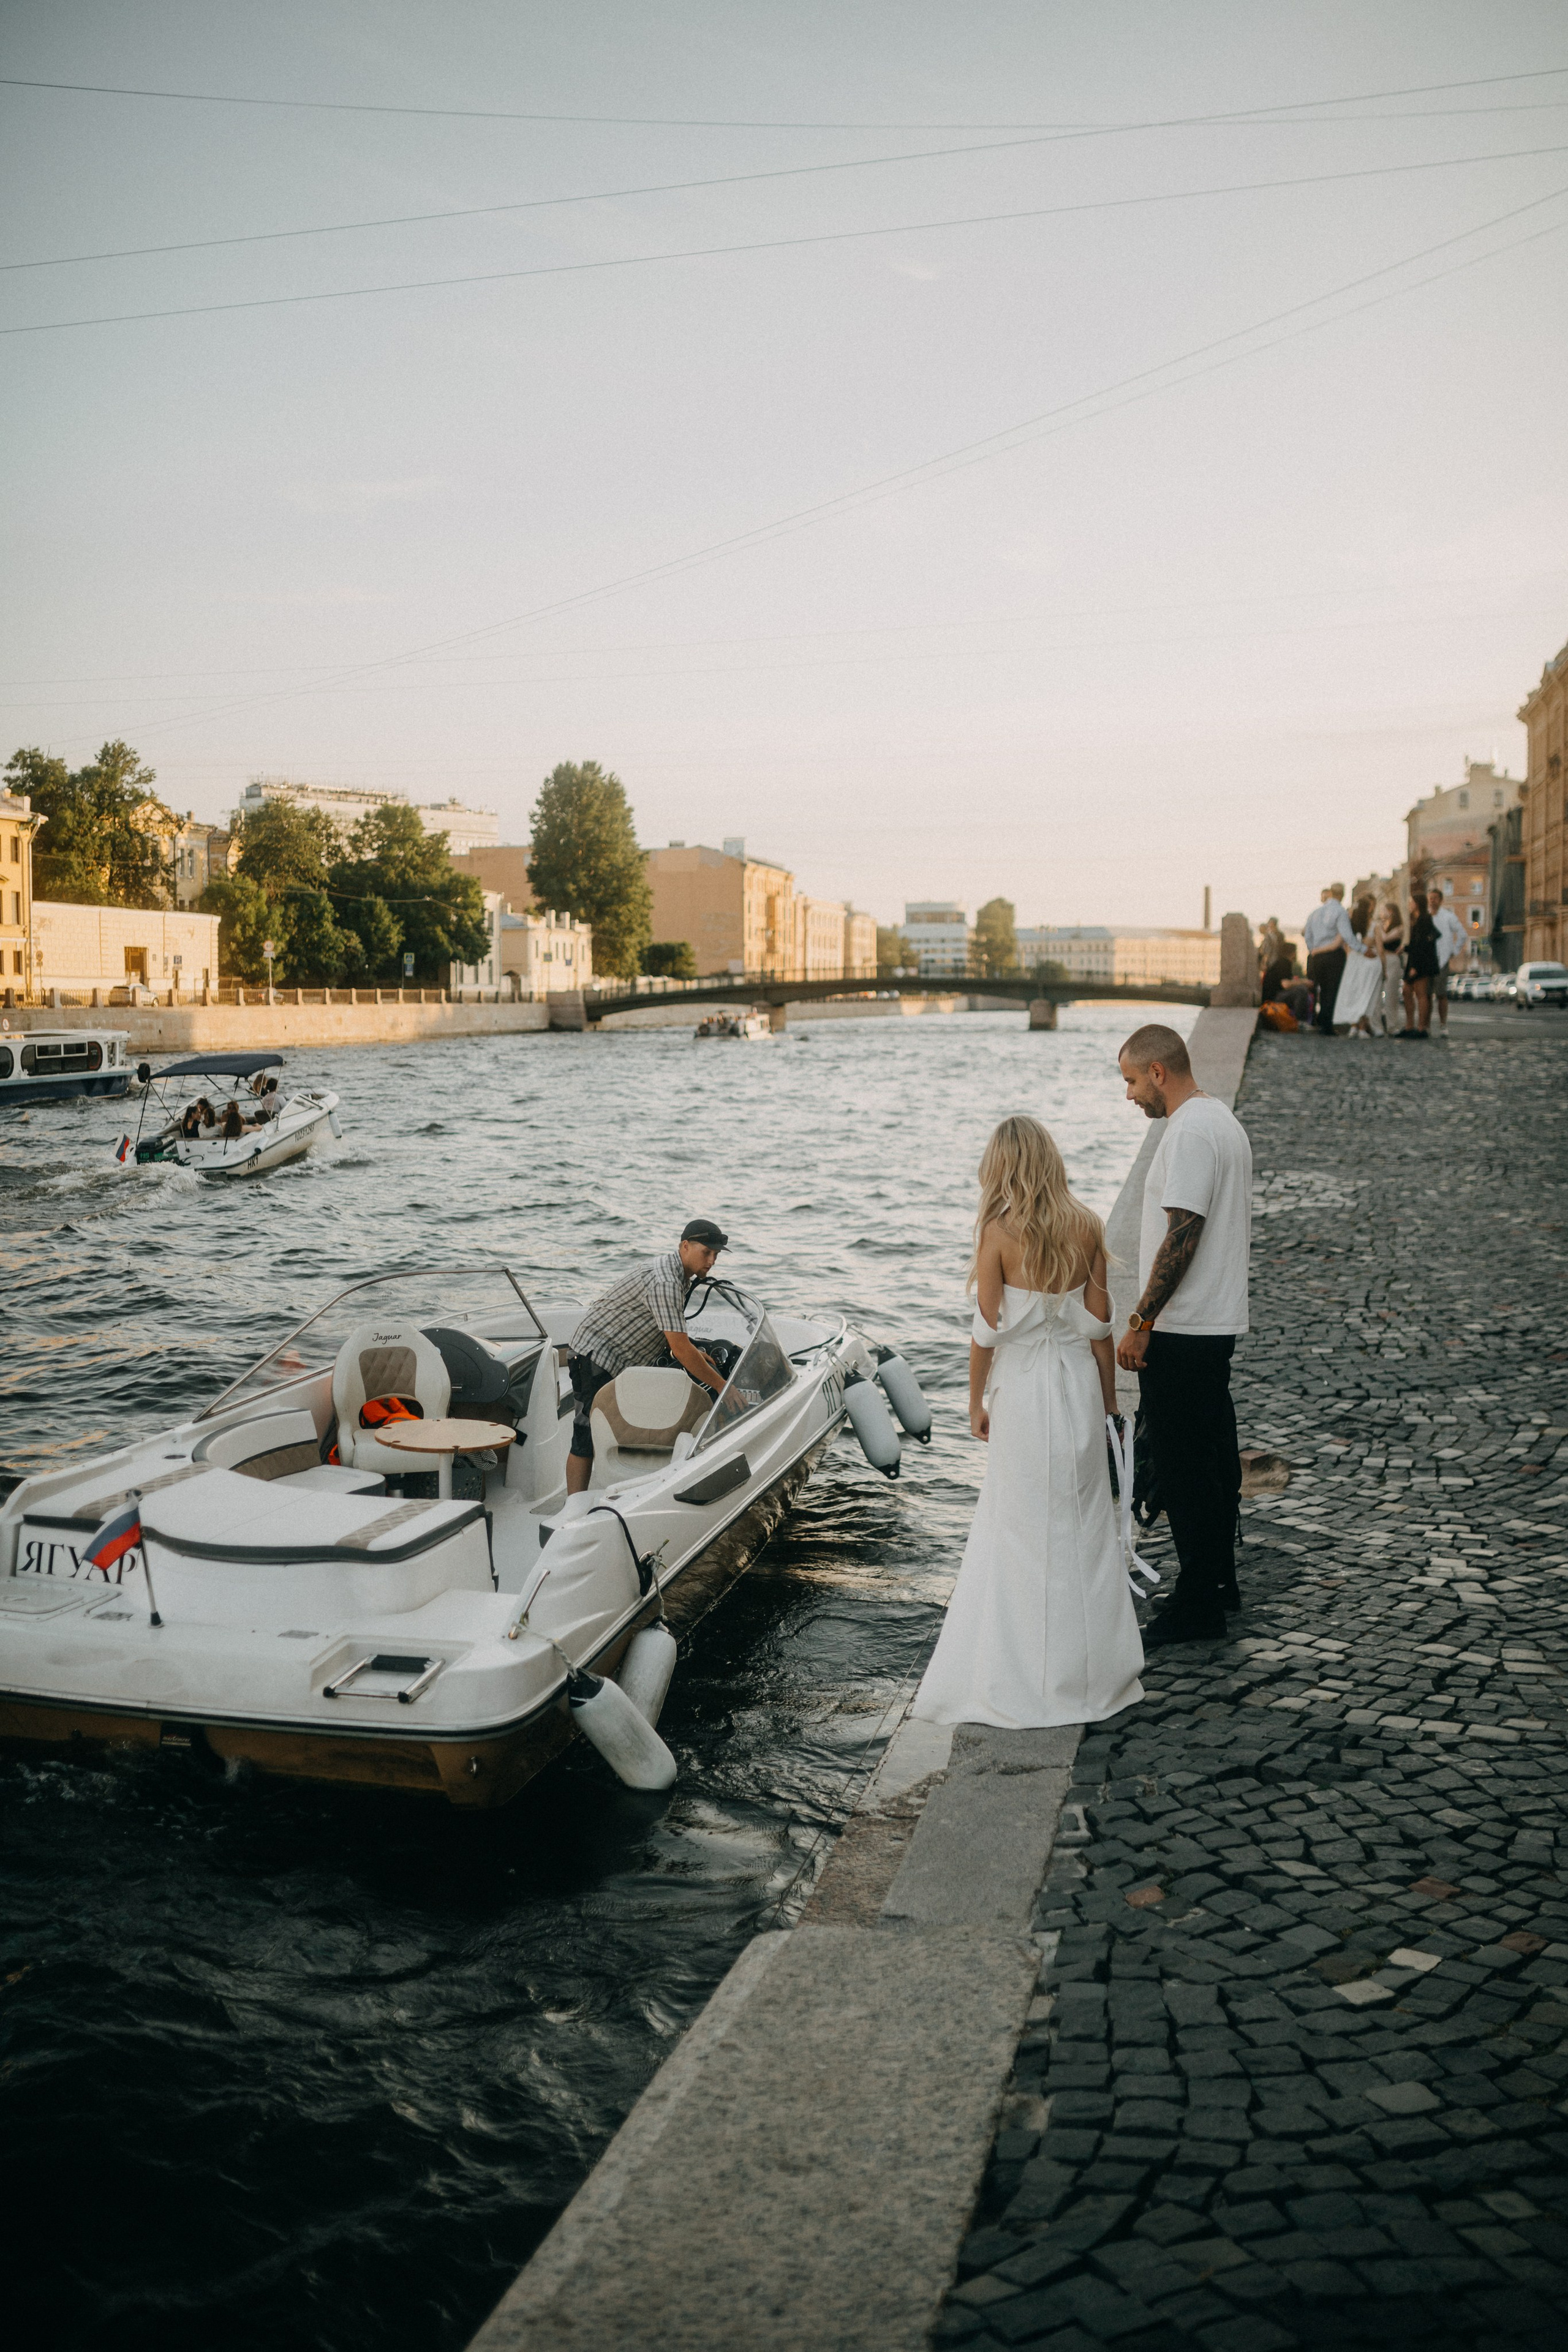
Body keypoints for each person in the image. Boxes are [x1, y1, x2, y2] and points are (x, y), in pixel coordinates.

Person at [911, 1115, 1144, 1728]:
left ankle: (1020, 1675)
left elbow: (987, 1334)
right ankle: (1092, 1674)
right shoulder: (1087, 1224)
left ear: (1003, 1167)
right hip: (1075, 1389)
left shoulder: (998, 1231)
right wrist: (1109, 1407)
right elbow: (1100, 1331)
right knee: (1083, 1527)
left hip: (1021, 1394)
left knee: (1018, 1530)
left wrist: (975, 1404)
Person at [1115, 1024, 1251, 1645]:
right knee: (1214, 1463)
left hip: (1184, 1329)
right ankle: (1218, 1583)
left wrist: (1141, 1322)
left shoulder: (1191, 1131)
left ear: (1158, 1072)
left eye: (1131, 1080)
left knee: (1185, 1470)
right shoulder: (1219, 1121)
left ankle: (1198, 1606)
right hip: (1211, 1324)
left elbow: (1183, 1234)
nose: (1129, 1095)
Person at [565, 1219, 731, 1493]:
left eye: (716, 1255)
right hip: (594, 1357)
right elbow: (680, 1350)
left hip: (618, 1359)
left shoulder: (678, 1275)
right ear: (685, 1246)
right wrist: (723, 1387)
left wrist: (695, 1351)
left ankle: (627, 1492)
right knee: (586, 1435)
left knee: (619, 1428)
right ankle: (574, 1507)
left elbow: (670, 1332)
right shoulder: (666, 1281)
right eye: (706, 1252)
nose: (712, 1261)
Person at [1302, 884, 1357, 1034]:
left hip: (1316, 955)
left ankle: (1315, 1019)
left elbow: (1307, 935)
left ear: (1331, 893)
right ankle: (1326, 1024)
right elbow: (1346, 935)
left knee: (1317, 988)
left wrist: (1313, 950)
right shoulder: (1341, 912)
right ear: (1343, 895)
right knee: (1331, 990)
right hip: (1334, 956)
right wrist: (1362, 950)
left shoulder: (1315, 913)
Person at [1332, 896, 1382, 1037]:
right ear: (1369, 908)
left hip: (1353, 961)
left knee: (1353, 994)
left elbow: (1347, 945)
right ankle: (1362, 1028)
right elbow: (1380, 949)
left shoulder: (1350, 925)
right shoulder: (1374, 925)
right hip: (1369, 961)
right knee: (1366, 995)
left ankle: (1353, 1027)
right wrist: (1384, 967)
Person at [1428, 886, 1466, 1038]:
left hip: (1442, 960)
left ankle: (1443, 1025)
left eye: (1435, 899)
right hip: (1427, 961)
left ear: (1441, 900)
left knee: (1441, 994)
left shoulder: (1448, 916)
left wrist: (1454, 951)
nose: (1432, 901)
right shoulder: (1426, 916)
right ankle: (1426, 1026)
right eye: (1430, 899)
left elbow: (1462, 934)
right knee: (1426, 995)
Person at [1401, 895, 1439, 1038]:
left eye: (1411, 902)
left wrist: (1415, 967)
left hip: (1421, 962)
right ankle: (1410, 1026)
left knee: (1421, 993)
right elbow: (1417, 943)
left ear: (1417, 904)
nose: (1409, 904)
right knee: (1406, 991)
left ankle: (1422, 1028)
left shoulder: (1424, 919)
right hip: (1414, 959)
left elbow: (1423, 944)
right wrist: (1405, 948)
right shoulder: (1416, 920)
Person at [1375, 899, 1404, 1036]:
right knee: (1376, 993)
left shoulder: (1399, 927)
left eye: (1384, 910)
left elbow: (1385, 939)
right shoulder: (1382, 926)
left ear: (1391, 912)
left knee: (1391, 994)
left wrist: (1379, 928)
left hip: (1392, 960)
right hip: (1380, 959)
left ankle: (1392, 1025)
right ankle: (1378, 1026)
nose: (1381, 913)